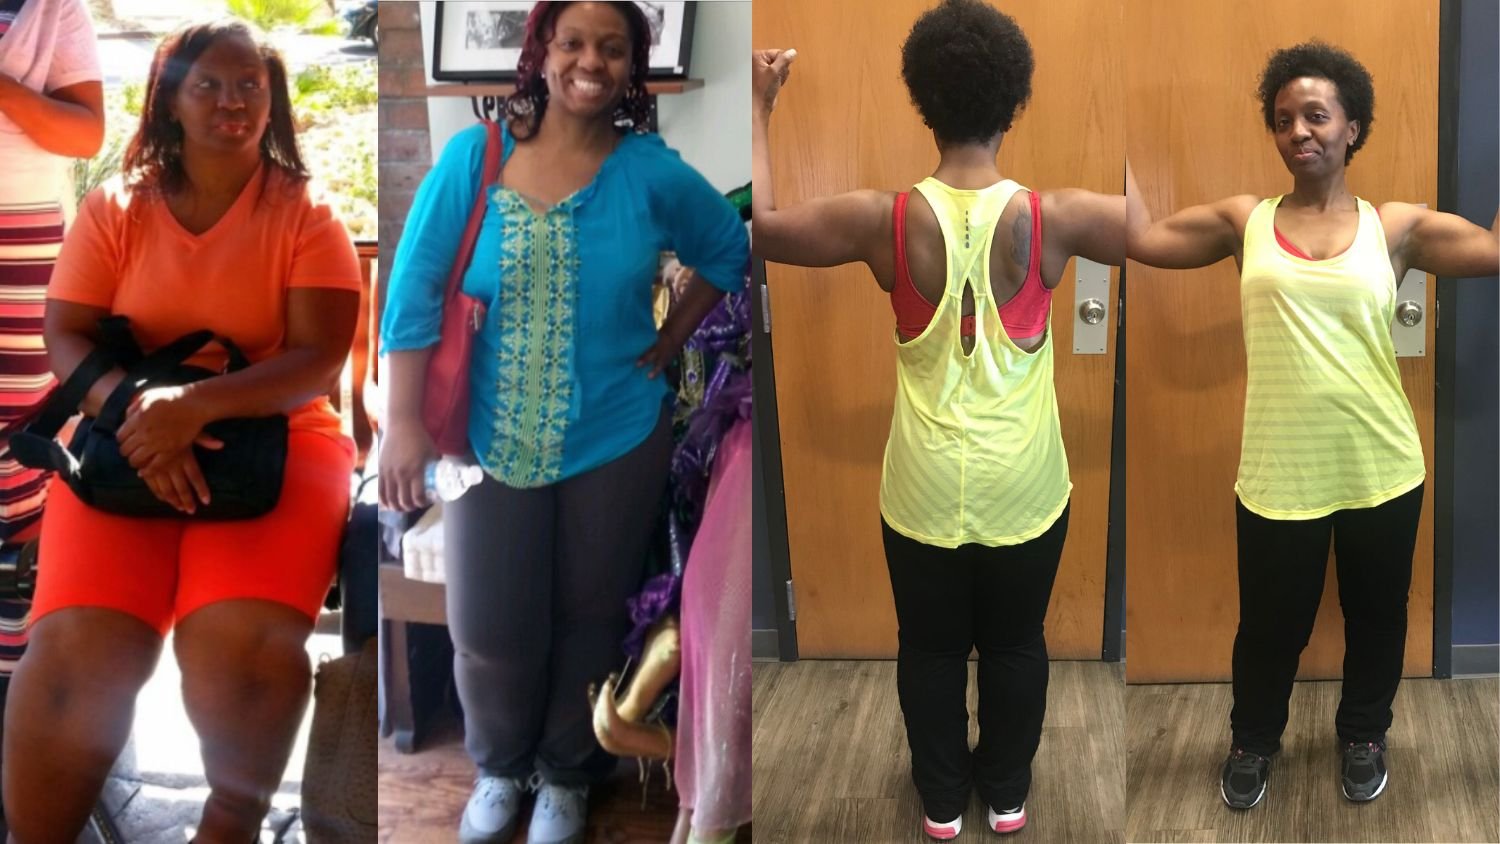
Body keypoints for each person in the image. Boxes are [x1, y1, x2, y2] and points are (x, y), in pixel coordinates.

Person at [752, 0, 1124, 838]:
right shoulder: (1053, 216)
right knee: (1017, 644)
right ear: (1014, 101)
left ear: (923, 100)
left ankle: (941, 803)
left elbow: (762, 230)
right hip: (1024, 489)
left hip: (920, 491)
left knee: (926, 647)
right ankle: (1007, 797)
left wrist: (758, 106)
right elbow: (1162, 228)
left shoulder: (881, 220)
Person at [378, 2, 747, 842]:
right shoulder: (474, 159)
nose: (592, 61)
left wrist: (668, 339)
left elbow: (728, 249)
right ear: (541, 51)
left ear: (630, 68)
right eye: (574, 42)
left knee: (589, 616)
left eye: (613, 49)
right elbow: (412, 296)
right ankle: (500, 768)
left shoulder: (650, 172)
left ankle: (569, 776)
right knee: (490, 626)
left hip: (616, 435)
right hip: (483, 438)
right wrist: (401, 422)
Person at [2, 19, 363, 841]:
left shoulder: (307, 214)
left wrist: (195, 410)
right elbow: (66, 335)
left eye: (250, 87)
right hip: (123, 427)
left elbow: (315, 359)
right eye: (210, 86)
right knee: (76, 649)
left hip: (281, 431)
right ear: (170, 99)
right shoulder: (115, 207)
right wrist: (142, 419)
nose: (233, 102)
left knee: (238, 641)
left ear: (272, 103)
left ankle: (229, 821)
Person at [1124, 40, 1499, 810]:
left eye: (1317, 116)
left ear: (1352, 127)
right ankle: (1253, 740)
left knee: (1376, 619)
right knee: (1269, 628)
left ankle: (1363, 733)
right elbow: (1141, 239)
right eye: (1284, 118)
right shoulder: (1244, 221)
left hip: (1381, 466)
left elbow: (1494, 253)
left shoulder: (1395, 227)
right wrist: (1116, 128)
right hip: (1277, 474)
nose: (1300, 130)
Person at [0, 0, 103, 681]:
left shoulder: (54, 6)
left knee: (19, 439)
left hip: (21, 234)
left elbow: (86, 134)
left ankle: (16, 661)